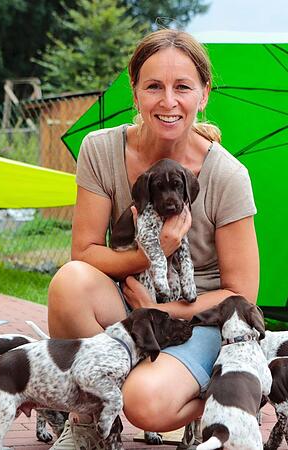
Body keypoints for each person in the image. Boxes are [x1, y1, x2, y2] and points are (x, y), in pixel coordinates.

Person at [47, 29, 260, 450]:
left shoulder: (227, 176)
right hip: (127, 299)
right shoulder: (100, 150)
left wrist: (162, 310)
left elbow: (241, 293)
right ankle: (87, 422)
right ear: (135, 92)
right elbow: (84, 252)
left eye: (182, 87)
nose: (168, 101)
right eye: (154, 87)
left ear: (203, 94)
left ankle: (215, 398)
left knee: (143, 404)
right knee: (69, 283)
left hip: (197, 315)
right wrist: (152, 254)